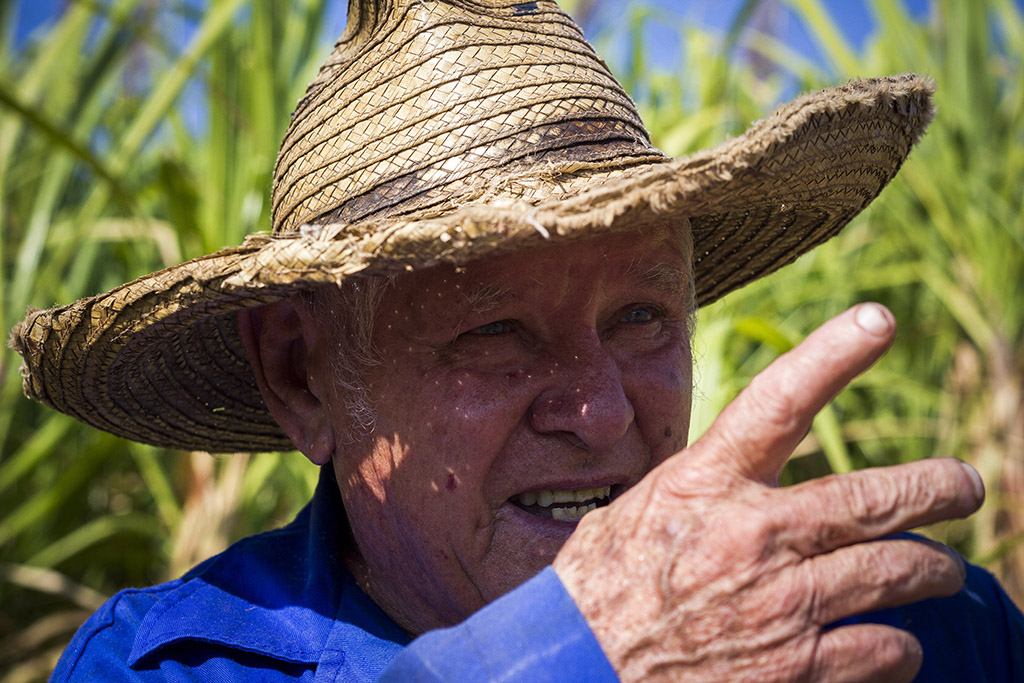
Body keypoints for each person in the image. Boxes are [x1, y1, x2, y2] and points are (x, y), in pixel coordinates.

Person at [11, 0, 1023, 681]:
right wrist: (574, 651)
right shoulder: (170, 661)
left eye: (641, 318)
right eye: (495, 332)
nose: (604, 410)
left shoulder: (900, 616)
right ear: (301, 376)